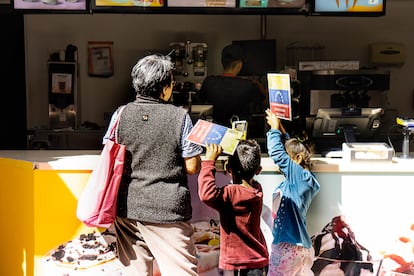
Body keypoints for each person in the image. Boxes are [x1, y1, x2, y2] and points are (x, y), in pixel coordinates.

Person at [103, 54, 203, 276]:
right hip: (167, 212)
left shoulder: (121, 114)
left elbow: (108, 155)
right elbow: (192, 167)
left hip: (127, 208)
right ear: (165, 87)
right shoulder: (179, 117)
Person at [197, 140, 269, 276]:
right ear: (258, 170)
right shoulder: (257, 189)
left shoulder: (231, 194)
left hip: (240, 263)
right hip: (259, 261)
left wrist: (209, 162)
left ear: (228, 169)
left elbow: (206, 194)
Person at [265, 109, 320, 276]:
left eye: (287, 159)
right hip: (298, 248)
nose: (283, 165)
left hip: (287, 248)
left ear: (297, 159)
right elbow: (292, 146)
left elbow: (276, 153)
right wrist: (281, 129)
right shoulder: (302, 178)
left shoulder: (298, 177)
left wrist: (274, 129)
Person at [198, 44, 266, 135]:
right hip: (239, 135)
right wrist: (258, 84)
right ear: (239, 65)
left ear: (222, 62)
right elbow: (265, 101)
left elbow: (200, 101)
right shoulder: (248, 85)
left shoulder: (209, 82)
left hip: (215, 133)